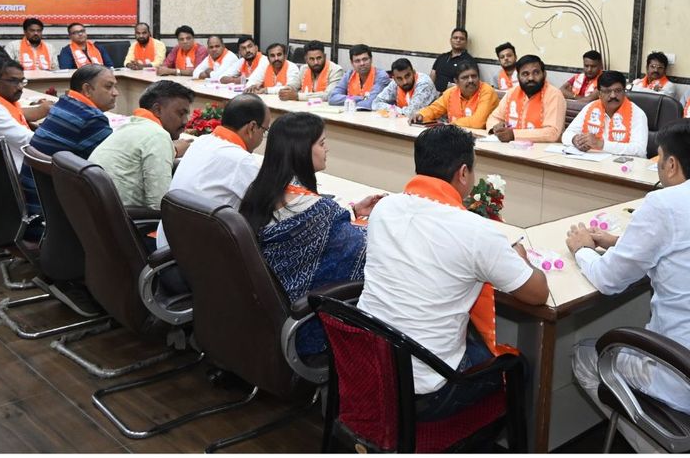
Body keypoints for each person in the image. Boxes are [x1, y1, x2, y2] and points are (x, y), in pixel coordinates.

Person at [358, 124, 548, 419]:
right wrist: (522, 260)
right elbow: (537, 293)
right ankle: (476, 437)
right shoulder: (475, 231)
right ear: (463, 173)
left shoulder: (384, 208)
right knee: (517, 366)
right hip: (426, 393)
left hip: (366, 367)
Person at [566, 119, 690, 453]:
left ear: (671, 164)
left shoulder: (664, 203)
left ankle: (660, 451)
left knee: (586, 355)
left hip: (679, 371)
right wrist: (620, 241)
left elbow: (608, 280)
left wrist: (583, 250)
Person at [240, 112, 384, 355]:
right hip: (301, 323)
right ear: (302, 150)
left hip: (260, 314)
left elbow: (313, 228)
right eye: (322, 143)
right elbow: (361, 248)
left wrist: (353, 211)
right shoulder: (319, 212)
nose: (327, 149)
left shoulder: (261, 189)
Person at [19, 65, 118, 316]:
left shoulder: (65, 105)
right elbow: (114, 162)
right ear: (87, 89)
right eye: (109, 86)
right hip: (51, 218)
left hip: (35, 208)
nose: (116, 93)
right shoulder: (91, 119)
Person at [156, 93, 270, 252]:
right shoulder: (241, 161)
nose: (262, 137)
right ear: (251, 127)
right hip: (200, 256)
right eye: (264, 131)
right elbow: (272, 208)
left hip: (169, 245)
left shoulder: (201, 142)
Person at [89, 81, 194, 210]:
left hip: (98, 211)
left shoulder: (129, 126)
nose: (185, 121)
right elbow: (160, 205)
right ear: (157, 110)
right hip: (126, 218)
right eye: (181, 113)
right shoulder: (158, 135)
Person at [0, 58, 52, 172]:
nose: (20, 87)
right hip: (24, 170)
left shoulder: (3, 103)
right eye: (13, 81)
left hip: (25, 161)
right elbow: (30, 140)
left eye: (22, 81)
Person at [562, 70, 648, 158]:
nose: (613, 95)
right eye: (607, 91)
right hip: (593, 161)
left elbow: (639, 150)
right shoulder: (590, 107)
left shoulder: (637, 114)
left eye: (618, 90)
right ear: (599, 94)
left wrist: (601, 144)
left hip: (624, 164)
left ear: (624, 92)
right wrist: (576, 140)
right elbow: (566, 135)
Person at [486, 54, 567, 143]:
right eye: (525, 74)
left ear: (544, 74)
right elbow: (493, 118)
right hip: (511, 147)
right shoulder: (512, 93)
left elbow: (552, 133)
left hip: (541, 149)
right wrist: (496, 128)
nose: (531, 78)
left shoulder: (554, 95)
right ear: (518, 77)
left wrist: (514, 135)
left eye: (536, 73)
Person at [410, 60, 499, 129]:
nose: (470, 80)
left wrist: (451, 124)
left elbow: (478, 122)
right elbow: (434, 109)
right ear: (456, 81)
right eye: (465, 77)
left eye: (474, 76)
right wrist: (421, 115)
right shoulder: (451, 92)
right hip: (456, 136)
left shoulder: (487, 91)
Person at [328, 44, 391, 110]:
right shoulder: (349, 74)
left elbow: (371, 103)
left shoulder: (381, 76)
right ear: (352, 63)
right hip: (351, 114)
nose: (362, 63)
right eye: (357, 61)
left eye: (365, 59)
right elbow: (332, 98)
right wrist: (361, 98)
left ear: (371, 59)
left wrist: (349, 101)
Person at [278, 40, 343, 102]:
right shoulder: (304, 69)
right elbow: (294, 84)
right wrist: (287, 90)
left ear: (324, 56)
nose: (316, 62)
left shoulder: (336, 71)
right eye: (312, 59)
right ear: (306, 59)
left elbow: (329, 95)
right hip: (305, 106)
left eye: (319, 58)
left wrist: (298, 96)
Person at [372, 57, 437, 116]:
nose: (405, 82)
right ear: (394, 79)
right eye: (399, 78)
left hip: (433, 123)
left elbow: (411, 112)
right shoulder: (394, 83)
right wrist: (393, 109)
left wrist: (393, 110)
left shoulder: (424, 83)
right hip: (404, 122)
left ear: (414, 72)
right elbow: (375, 103)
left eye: (407, 76)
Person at [430, 27, 474, 93]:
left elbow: (470, 85)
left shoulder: (469, 61)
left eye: (462, 39)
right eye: (455, 38)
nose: (458, 40)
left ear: (466, 42)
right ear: (450, 40)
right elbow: (432, 77)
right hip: (435, 95)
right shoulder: (442, 57)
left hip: (454, 96)